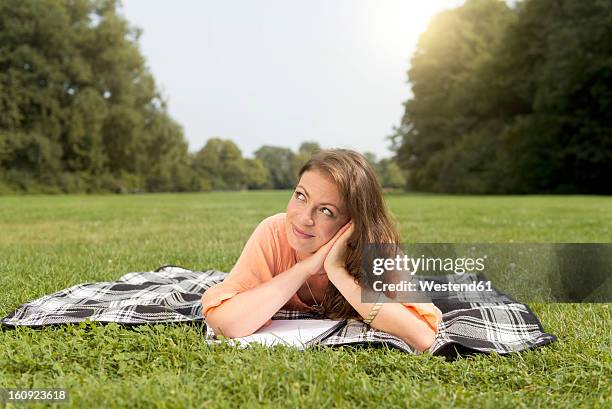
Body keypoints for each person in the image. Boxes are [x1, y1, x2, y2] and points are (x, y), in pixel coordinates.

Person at [201, 149, 442, 352]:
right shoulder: (274, 232)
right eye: (300, 196)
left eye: (326, 211)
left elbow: (421, 336)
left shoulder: (376, 248)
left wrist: (338, 272)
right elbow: (225, 325)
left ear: (353, 223)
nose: (303, 218)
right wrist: (305, 268)